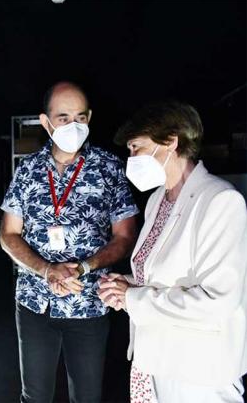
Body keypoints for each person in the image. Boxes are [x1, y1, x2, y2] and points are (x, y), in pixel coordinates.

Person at [98, 100, 247, 403]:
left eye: (136, 147)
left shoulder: (219, 201)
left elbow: (216, 302)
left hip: (196, 372)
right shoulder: (157, 201)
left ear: (170, 142)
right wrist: (124, 285)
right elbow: (159, 274)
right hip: (153, 362)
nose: (131, 157)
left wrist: (132, 297)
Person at [0, 81, 139, 403]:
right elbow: (8, 234)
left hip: (88, 304)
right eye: (63, 117)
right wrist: (47, 270)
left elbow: (125, 236)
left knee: (88, 396)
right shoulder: (28, 170)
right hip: (35, 302)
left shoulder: (109, 168)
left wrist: (84, 267)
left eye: (80, 117)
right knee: (33, 396)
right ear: (46, 122)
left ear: (89, 118)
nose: (73, 125)